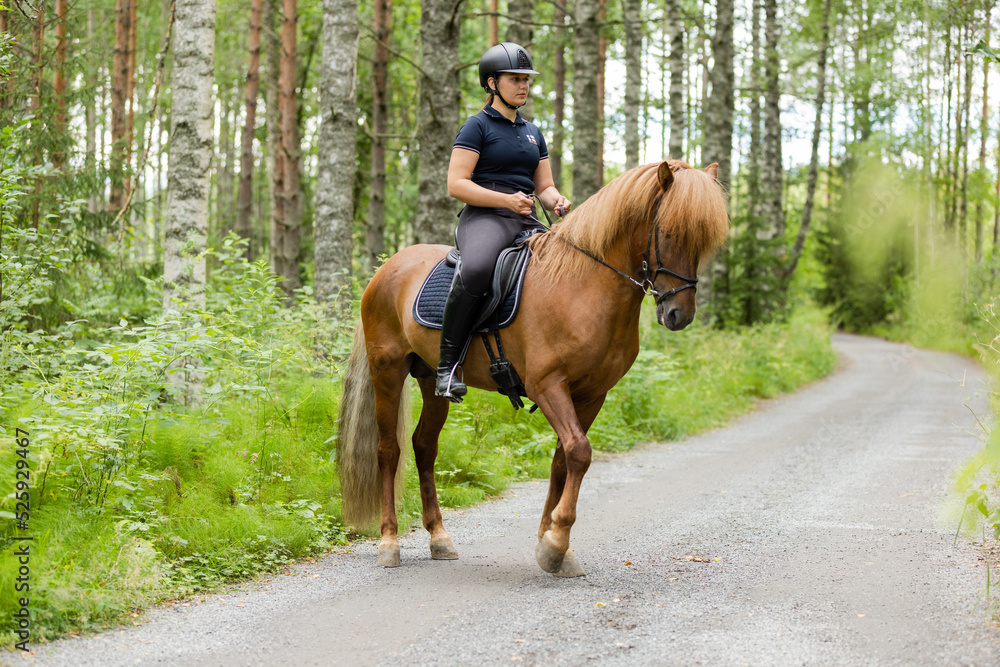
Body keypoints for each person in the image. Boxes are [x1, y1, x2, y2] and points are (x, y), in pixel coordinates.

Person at [436, 42, 572, 403]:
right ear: (493, 83)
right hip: (485, 217)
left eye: (526, 79)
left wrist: (556, 200)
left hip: (524, 217)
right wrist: (505, 200)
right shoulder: (476, 126)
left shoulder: (532, 132)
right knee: (478, 269)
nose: (524, 86)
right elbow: (456, 184)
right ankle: (447, 368)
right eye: (515, 79)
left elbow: (543, 185)